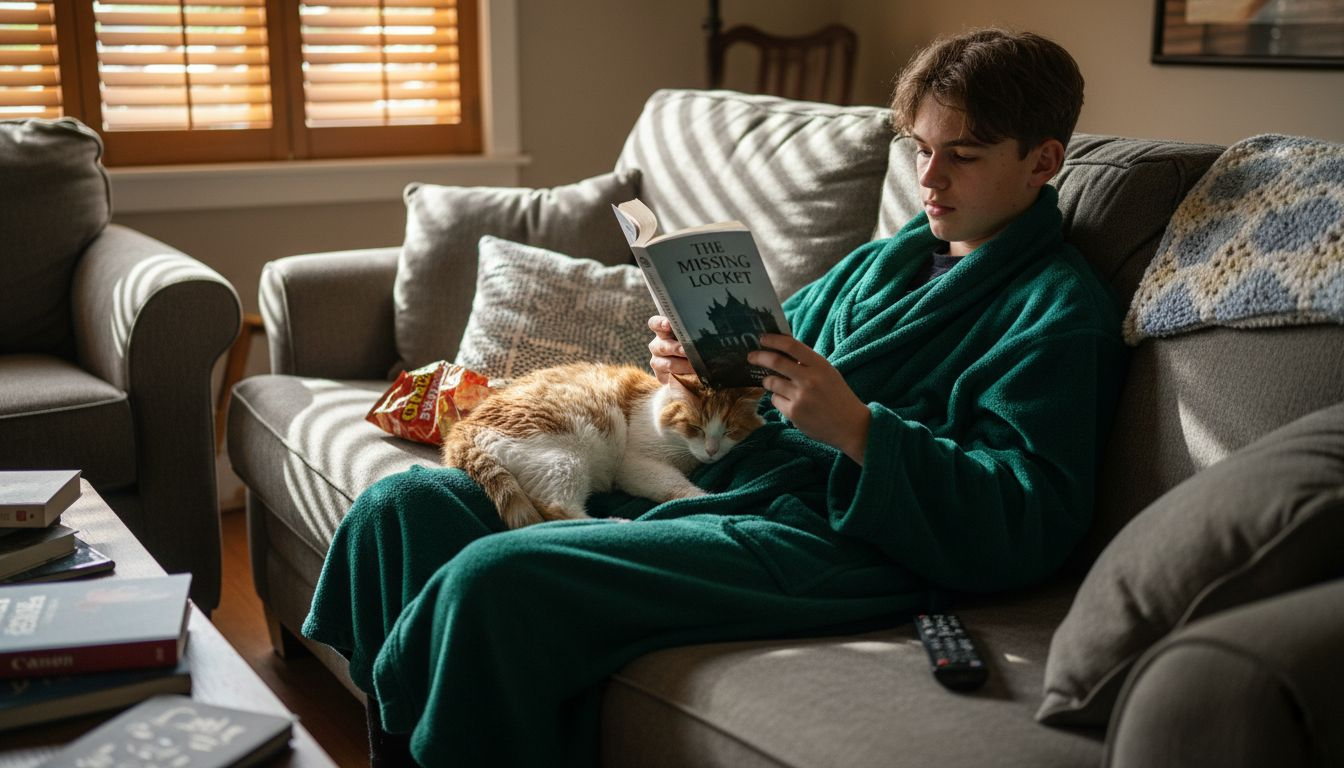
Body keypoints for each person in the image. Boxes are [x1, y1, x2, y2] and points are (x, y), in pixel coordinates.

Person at [301, 27, 1126, 767]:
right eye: (919, 148)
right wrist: (694, 362)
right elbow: (771, 358)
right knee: (401, 508)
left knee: (496, 578)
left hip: (840, 539)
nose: (930, 177)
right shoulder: (891, 260)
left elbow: (1032, 518)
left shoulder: (1058, 312)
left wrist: (863, 434)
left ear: (1043, 161)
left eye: (964, 155)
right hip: (738, 477)